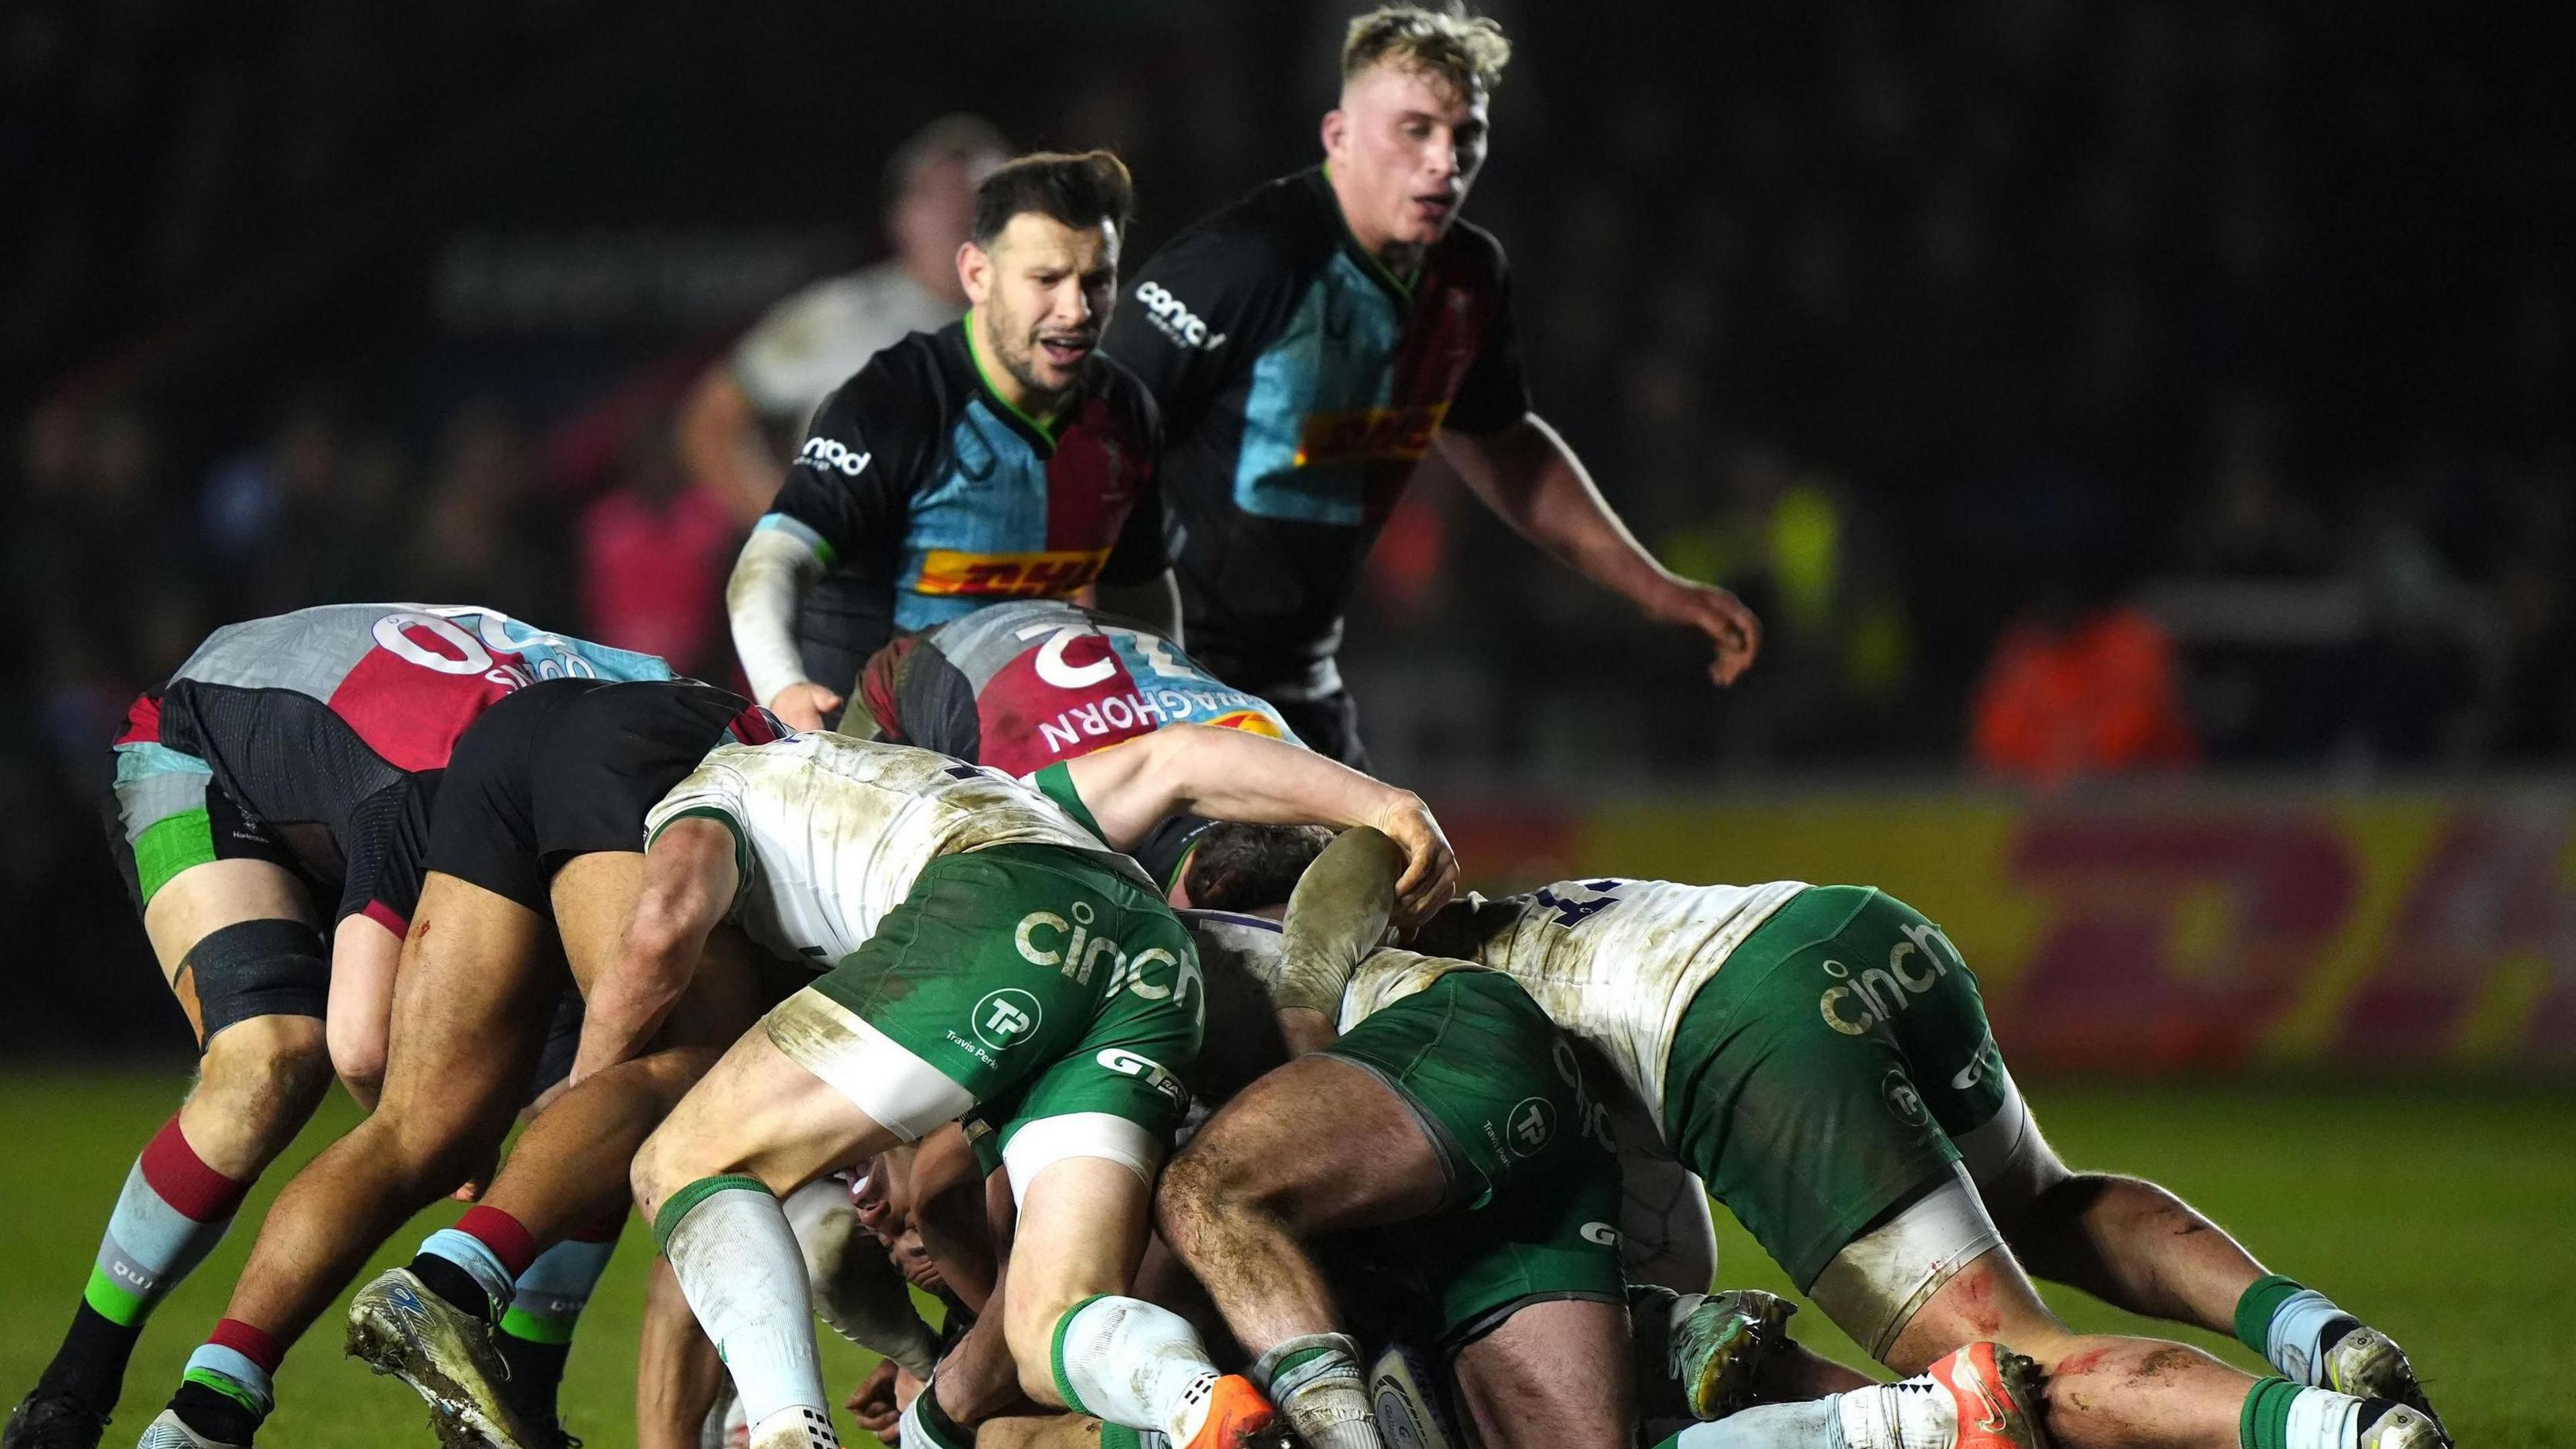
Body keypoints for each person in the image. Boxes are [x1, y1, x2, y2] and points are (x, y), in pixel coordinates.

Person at [337, 723, 1452, 1449]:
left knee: (681, 1158)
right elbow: (1179, 761)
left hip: (992, 917)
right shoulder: (979, 785)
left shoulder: (715, 785)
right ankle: (1200, 1405)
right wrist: (1381, 798)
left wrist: (577, 1096)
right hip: (1148, 956)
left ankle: (786, 1435)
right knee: (1045, 1315)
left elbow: (663, 929)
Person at [1250, 857, 2451, 1449]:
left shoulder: (1386, 1015)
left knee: (2009, 1365)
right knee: (2046, 1195)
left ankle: (2340, 1436)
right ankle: (2326, 1339)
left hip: (1738, 1022)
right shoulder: (1503, 911)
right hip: (1843, 926)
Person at [1, 604, 670, 1449]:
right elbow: (361, 1048)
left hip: (389, 746)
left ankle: (523, 1410)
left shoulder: (649, 717)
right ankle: (74, 1386)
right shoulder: (436, 790)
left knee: (587, 1094)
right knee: (271, 1063)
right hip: (203, 750)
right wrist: (453, 1139)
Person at [129, 679, 786, 1449]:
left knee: (415, 1128)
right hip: (645, 755)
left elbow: (365, 1041)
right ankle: (453, 1282)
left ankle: (209, 1406)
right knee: (705, 1083)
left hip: (499, 747)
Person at [1099, 4, 1760, 766]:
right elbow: (1094, 432)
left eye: (1465, 135)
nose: (1445, 161)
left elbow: (1503, 443)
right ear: (1339, 136)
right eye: (1415, 129)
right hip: (1165, 678)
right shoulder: (1246, 260)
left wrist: (1653, 588)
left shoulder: (1468, 278)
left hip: (1299, 681)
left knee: (1371, 877)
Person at [727, 150, 1176, 734]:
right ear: (977, 275)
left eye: (1097, 280)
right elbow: (769, 564)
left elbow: (1140, 590)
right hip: (880, 752)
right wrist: (784, 690)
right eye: (1045, 280)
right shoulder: (891, 400)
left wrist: (1168, 697)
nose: (1076, 309)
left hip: (1043, 737)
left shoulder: (1125, 411)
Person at [678, 116, 1010, 526]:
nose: (956, 213)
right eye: (937, 196)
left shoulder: (1048, 326)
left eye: (980, 196)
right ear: (900, 217)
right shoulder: (844, 315)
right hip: (867, 581)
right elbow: (711, 420)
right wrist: (786, 528)